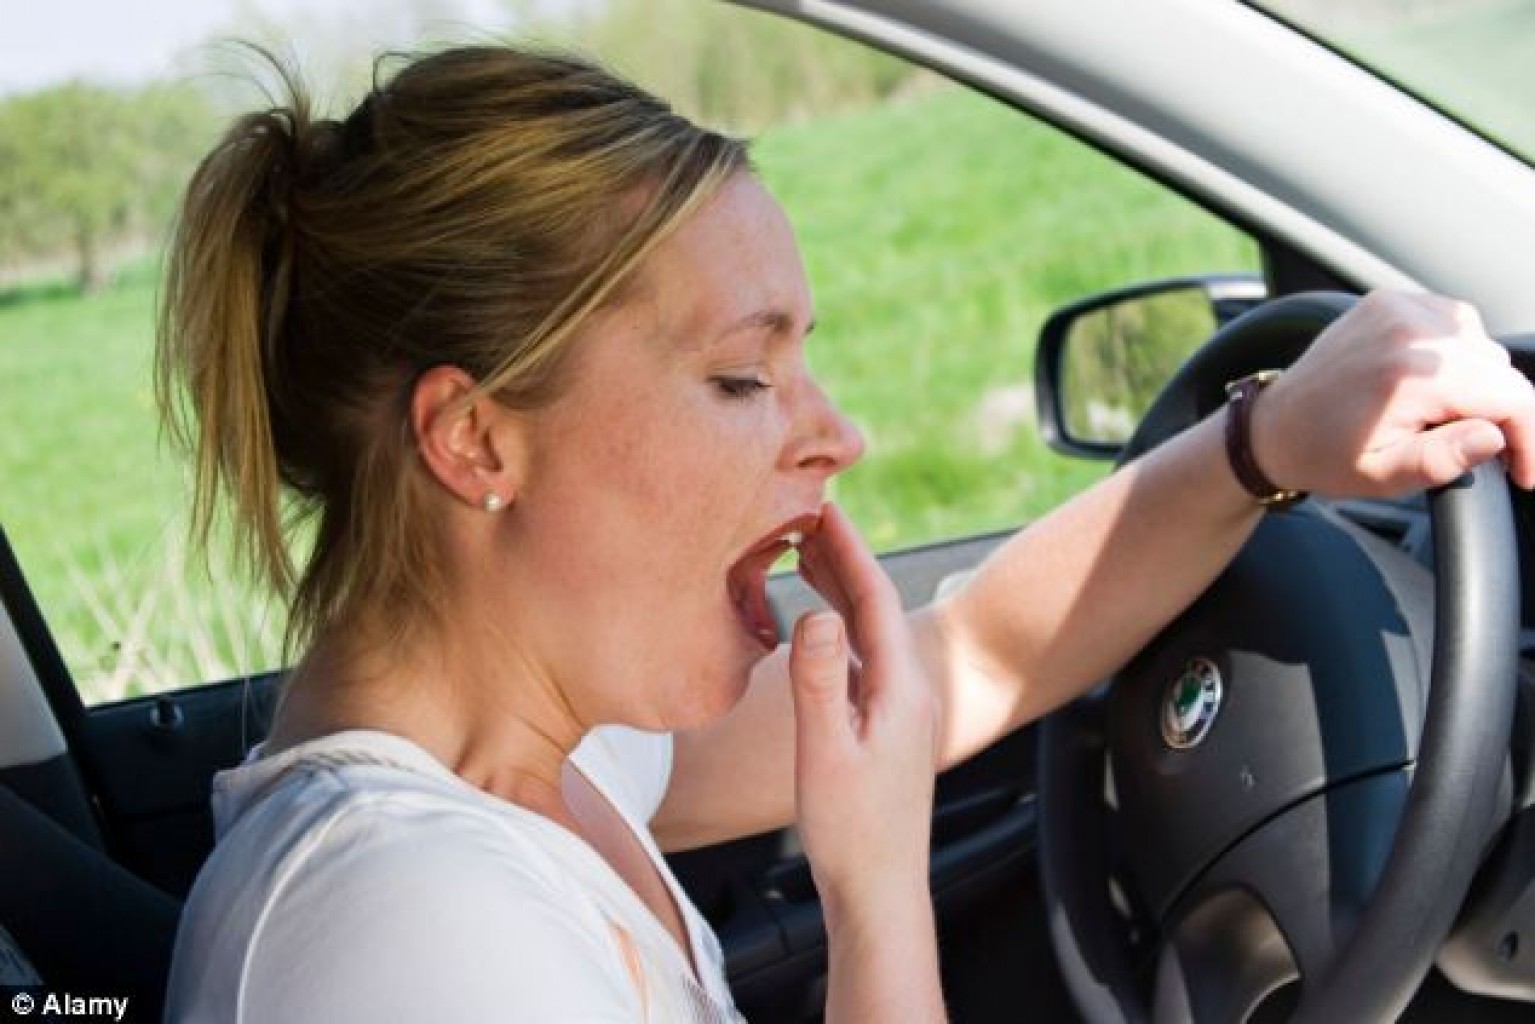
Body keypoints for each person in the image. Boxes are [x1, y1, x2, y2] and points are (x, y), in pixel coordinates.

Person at [158, 43, 1535, 1023]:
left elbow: (978, 654)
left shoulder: (543, 766)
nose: (837, 436)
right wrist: (877, 896)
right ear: (476, 441)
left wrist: (1261, 447)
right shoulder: (412, 934)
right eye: (743, 378)